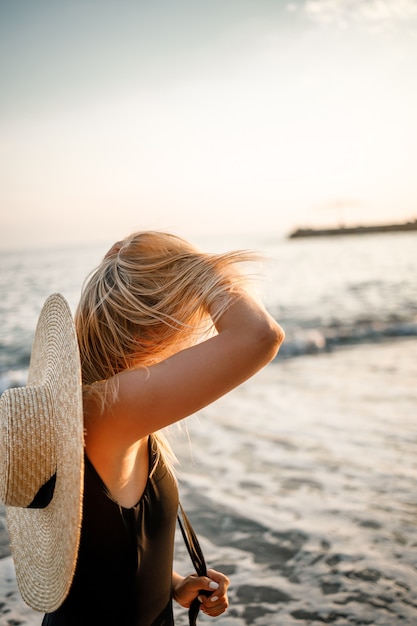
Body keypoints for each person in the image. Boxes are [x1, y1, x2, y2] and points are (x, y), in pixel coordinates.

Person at [42, 230, 285, 625]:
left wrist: (172, 583)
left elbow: (102, 550)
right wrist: (199, 268)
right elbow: (259, 335)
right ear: (155, 327)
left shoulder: (110, 409)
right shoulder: (105, 408)